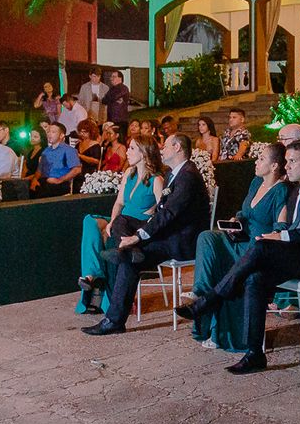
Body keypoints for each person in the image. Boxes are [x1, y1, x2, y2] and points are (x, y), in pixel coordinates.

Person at [177, 138, 300, 372]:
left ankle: (211, 299)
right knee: (254, 277)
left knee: (261, 246)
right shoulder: (296, 190)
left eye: (292, 161)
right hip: (297, 255)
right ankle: (254, 353)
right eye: (286, 161)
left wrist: (283, 236)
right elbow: (288, 223)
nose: (287, 166)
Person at [88, 134, 212, 337]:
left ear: (178, 147)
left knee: (129, 260)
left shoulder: (188, 175)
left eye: (166, 146)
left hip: (180, 242)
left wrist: (138, 236)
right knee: (121, 222)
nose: (162, 149)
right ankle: (127, 254)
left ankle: (113, 320)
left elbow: (168, 214)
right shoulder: (176, 173)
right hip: (167, 235)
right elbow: (164, 212)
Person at [189, 141, 291, 353]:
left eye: (262, 158)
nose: (256, 161)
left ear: (274, 166)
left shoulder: (281, 190)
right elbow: (245, 212)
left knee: (222, 268)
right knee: (207, 237)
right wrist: (236, 220)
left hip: (256, 249)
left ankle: (217, 326)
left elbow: (281, 226)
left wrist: (266, 237)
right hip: (240, 239)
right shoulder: (256, 183)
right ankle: (199, 293)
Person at [77, 136, 167, 316]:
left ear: (144, 153)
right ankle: (91, 274)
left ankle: (103, 290)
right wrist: (111, 222)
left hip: (138, 225)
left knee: (109, 238)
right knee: (90, 221)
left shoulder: (157, 180)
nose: (127, 152)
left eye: (132, 149)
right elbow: (119, 203)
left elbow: (162, 212)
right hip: (121, 220)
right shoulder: (129, 173)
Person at [30, 121, 81, 197]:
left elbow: (77, 170)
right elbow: (40, 169)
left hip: (59, 184)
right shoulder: (46, 151)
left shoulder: (69, 150)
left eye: (53, 132)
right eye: (49, 132)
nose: (49, 134)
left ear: (61, 135)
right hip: (44, 183)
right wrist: (35, 179)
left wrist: (59, 180)